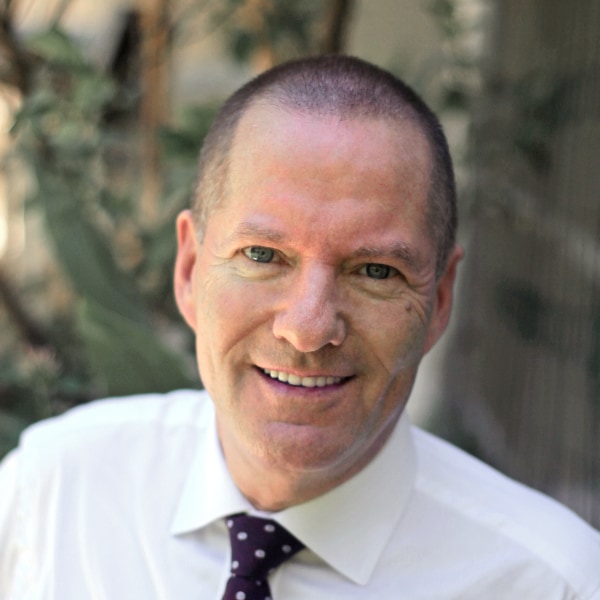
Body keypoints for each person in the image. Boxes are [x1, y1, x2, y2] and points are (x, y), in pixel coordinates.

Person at [1, 55, 599, 599]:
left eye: (375, 271)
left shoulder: (550, 583)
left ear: (440, 299)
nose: (309, 329)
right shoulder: (49, 499)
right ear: (188, 269)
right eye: (262, 256)